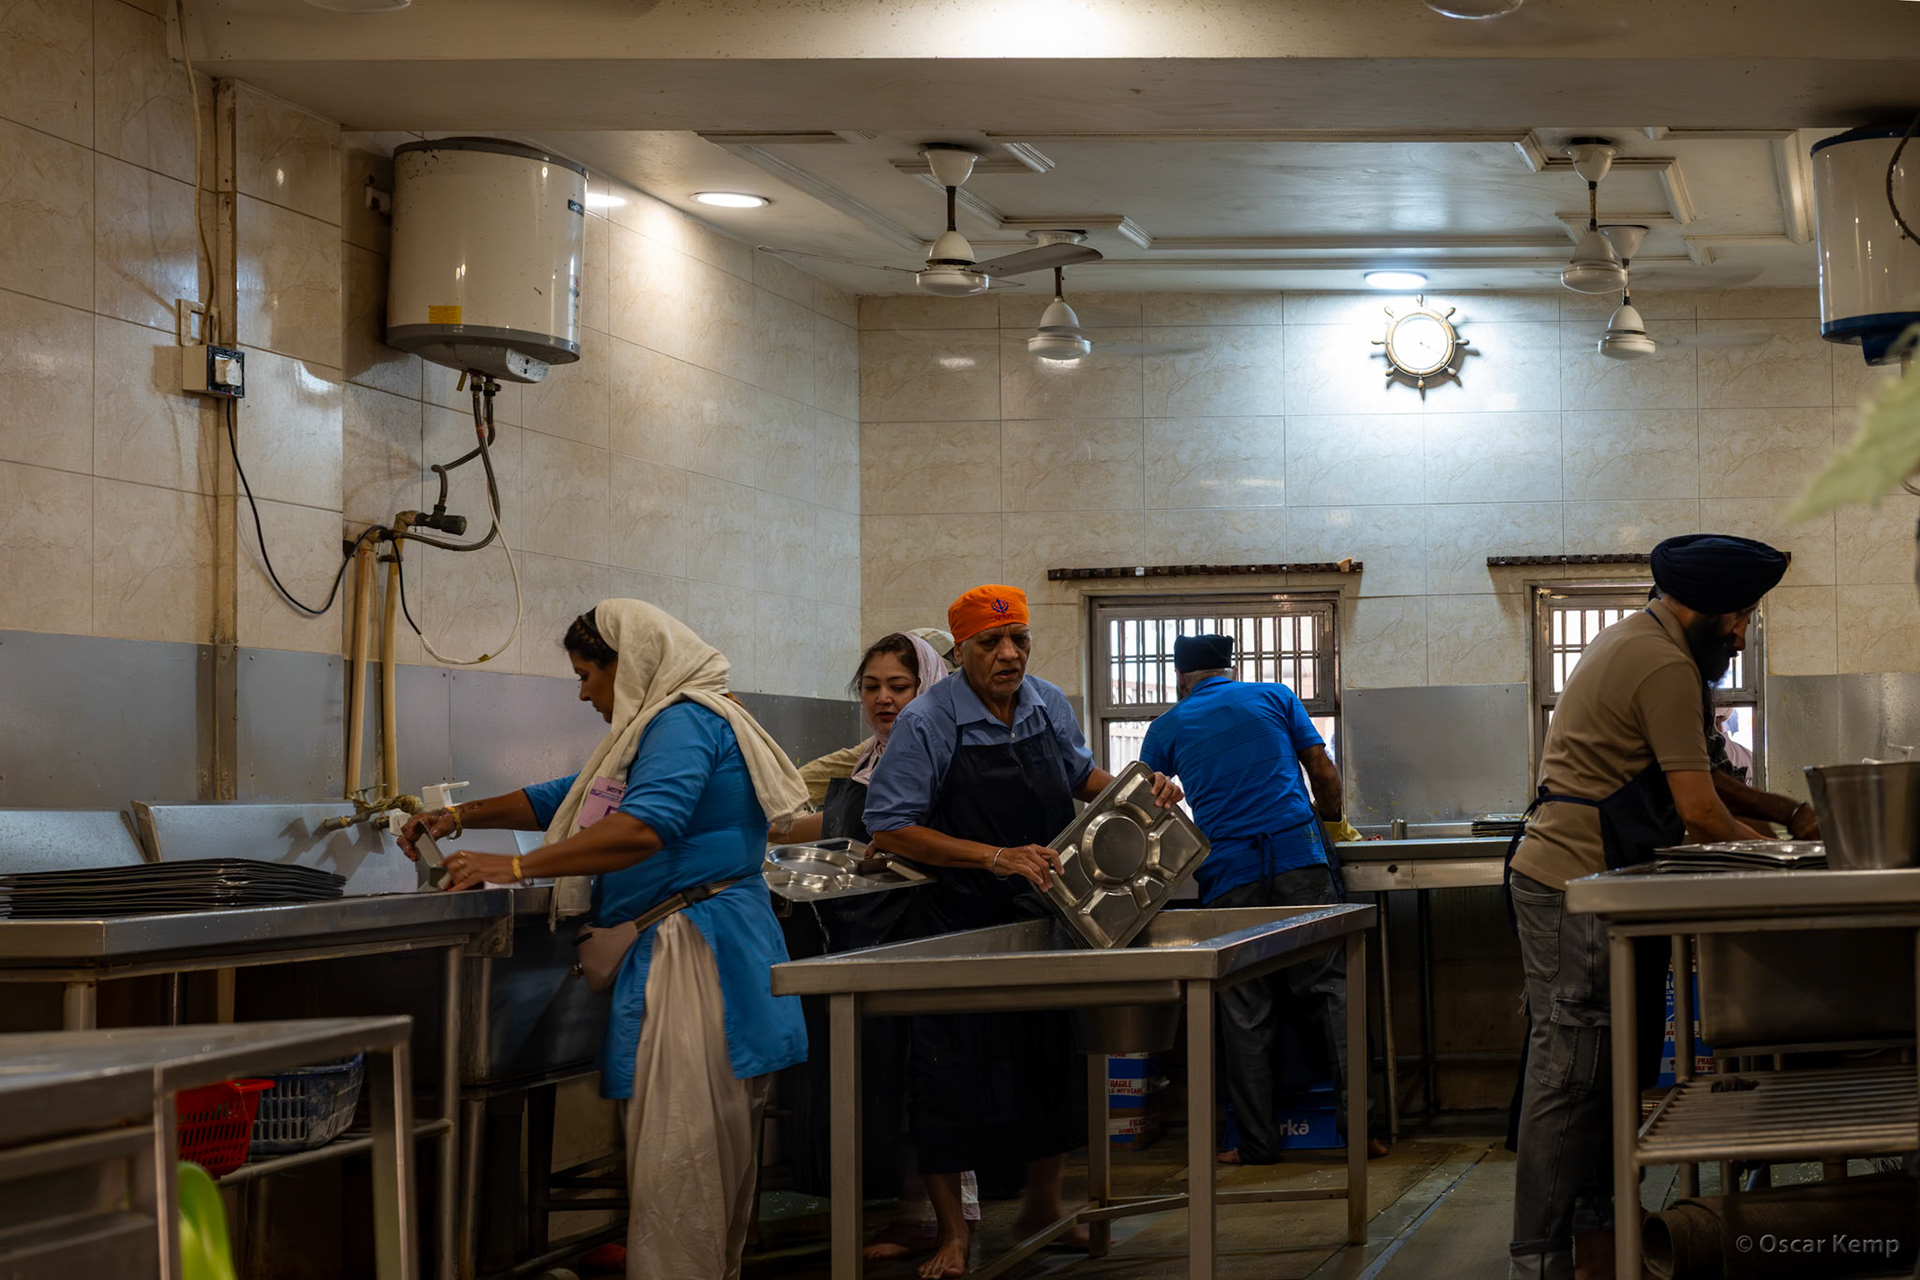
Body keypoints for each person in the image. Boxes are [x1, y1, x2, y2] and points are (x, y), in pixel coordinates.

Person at [397, 600, 809, 1280]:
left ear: (634, 664)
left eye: (590, 673)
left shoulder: (680, 721)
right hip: (717, 944)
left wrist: (517, 865)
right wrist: (462, 815)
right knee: (702, 1168)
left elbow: (645, 826)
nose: (584, 691)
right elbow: (578, 795)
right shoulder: (680, 720)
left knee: (683, 1165)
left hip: (694, 958)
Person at [865, 584, 1180, 1280]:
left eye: (1019, 640)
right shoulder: (928, 721)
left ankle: (1042, 1209)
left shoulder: (1046, 703)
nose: (1009, 655)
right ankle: (953, 1233)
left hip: (1043, 918)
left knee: (1048, 1067)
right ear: (961, 651)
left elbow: (1077, 775)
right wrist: (995, 856)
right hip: (959, 925)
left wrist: (1139, 785)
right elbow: (889, 824)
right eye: (990, 644)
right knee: (949, 1081)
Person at [1507, 535, 1790, 1280]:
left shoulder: (1657, 647)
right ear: (1701, 607)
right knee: (1573, 1073)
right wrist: (1779, 864)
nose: (1741, 631)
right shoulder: (1661, 661)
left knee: (1613, 1070)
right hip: (1576, 881)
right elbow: (1699, 811)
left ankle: (1602, 1248)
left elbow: (1706, 777)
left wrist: (1790, 814)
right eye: (1738, 617)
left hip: (1605, 882)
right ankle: (1540, 1259)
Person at [1135, 633, 1387, 1165]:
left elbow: (1143, 805)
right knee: (1331, 992)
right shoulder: (1274, 695)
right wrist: (1333, 825)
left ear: (1182, 678)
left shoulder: (1166, 727)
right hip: (1299, 857)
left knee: (1244, 1006)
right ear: (1229, 667)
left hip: (1229, 874)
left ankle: (1255, 1143)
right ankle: (1362, 1131)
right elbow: (1323, 772)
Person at [797, 627, 957, 809]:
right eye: (871, 686)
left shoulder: (953, 753)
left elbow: (886, 823)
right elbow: (800, 785)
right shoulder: (873, 752)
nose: (882, 699)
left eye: (899, 687)